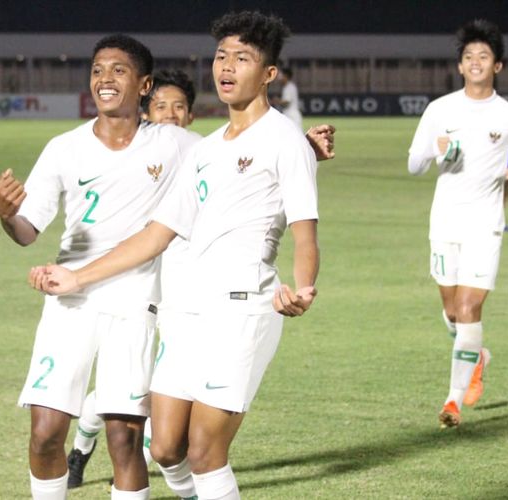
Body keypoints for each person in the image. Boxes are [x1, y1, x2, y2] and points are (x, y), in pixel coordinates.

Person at [30, 11, 319, 500]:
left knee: (206, 452)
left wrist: (304, 286)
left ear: (268, 74)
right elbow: (156, 234)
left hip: (241, 308)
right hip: (184, 310)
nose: (226, 67)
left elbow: (305, 231)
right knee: (164, 448)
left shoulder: (284, 139)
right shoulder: (204, 150)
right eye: (221, 56)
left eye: (242, 58)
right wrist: (77, 278)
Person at [0, 34, 199, 500]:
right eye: (98, 70)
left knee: (124, 440)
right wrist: (7, 215)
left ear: (145, 84)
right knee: (45, 431)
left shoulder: (174, 143)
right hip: (70, 300)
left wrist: (303, 150)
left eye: (119, 70)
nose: (105, 79)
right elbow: (28, 231)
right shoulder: (65, 148)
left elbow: (232, 156)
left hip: (134, 303)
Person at [65, 67, 201, 490]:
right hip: (133, 287)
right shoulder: (127, 155)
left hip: (180, 289)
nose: (171, 114)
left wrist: (299, 148)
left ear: (191, 116)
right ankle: (83, 450)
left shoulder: (196, 154)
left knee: (135, 386)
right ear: (145, 110)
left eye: (179, 107)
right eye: (161, 106)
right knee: (128, 388)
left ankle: (89, 449)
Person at [407, 19, 508, 428]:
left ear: (497, 66)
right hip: (444, 223)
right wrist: (434, 147)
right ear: (460, 66)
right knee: (451, 311)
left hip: (486, 225)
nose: (476, 62)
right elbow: (413, 165)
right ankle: (477, 354)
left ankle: (453, 401)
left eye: (484, 56)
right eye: (468, 57)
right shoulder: (439, 110)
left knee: (468, 307)